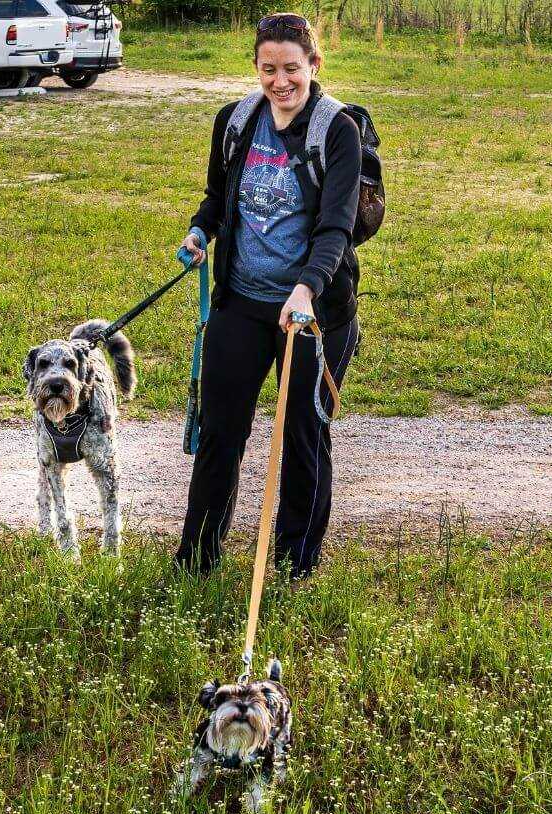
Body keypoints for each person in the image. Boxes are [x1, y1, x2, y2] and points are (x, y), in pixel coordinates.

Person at [174, 12, 362, 582]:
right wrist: (199, 231)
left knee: (303, 437)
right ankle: (197, 561)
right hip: (243, 301)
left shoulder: (337, 131)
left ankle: (292, 565)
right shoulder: (234, 122)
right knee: (219, 433)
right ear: (256, 68)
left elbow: (336, 228)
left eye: (292, 69)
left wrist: (306, 287)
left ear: (314, 66)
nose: (281, 82)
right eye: (268, 69)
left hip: (313, 313)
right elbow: (217, 197)